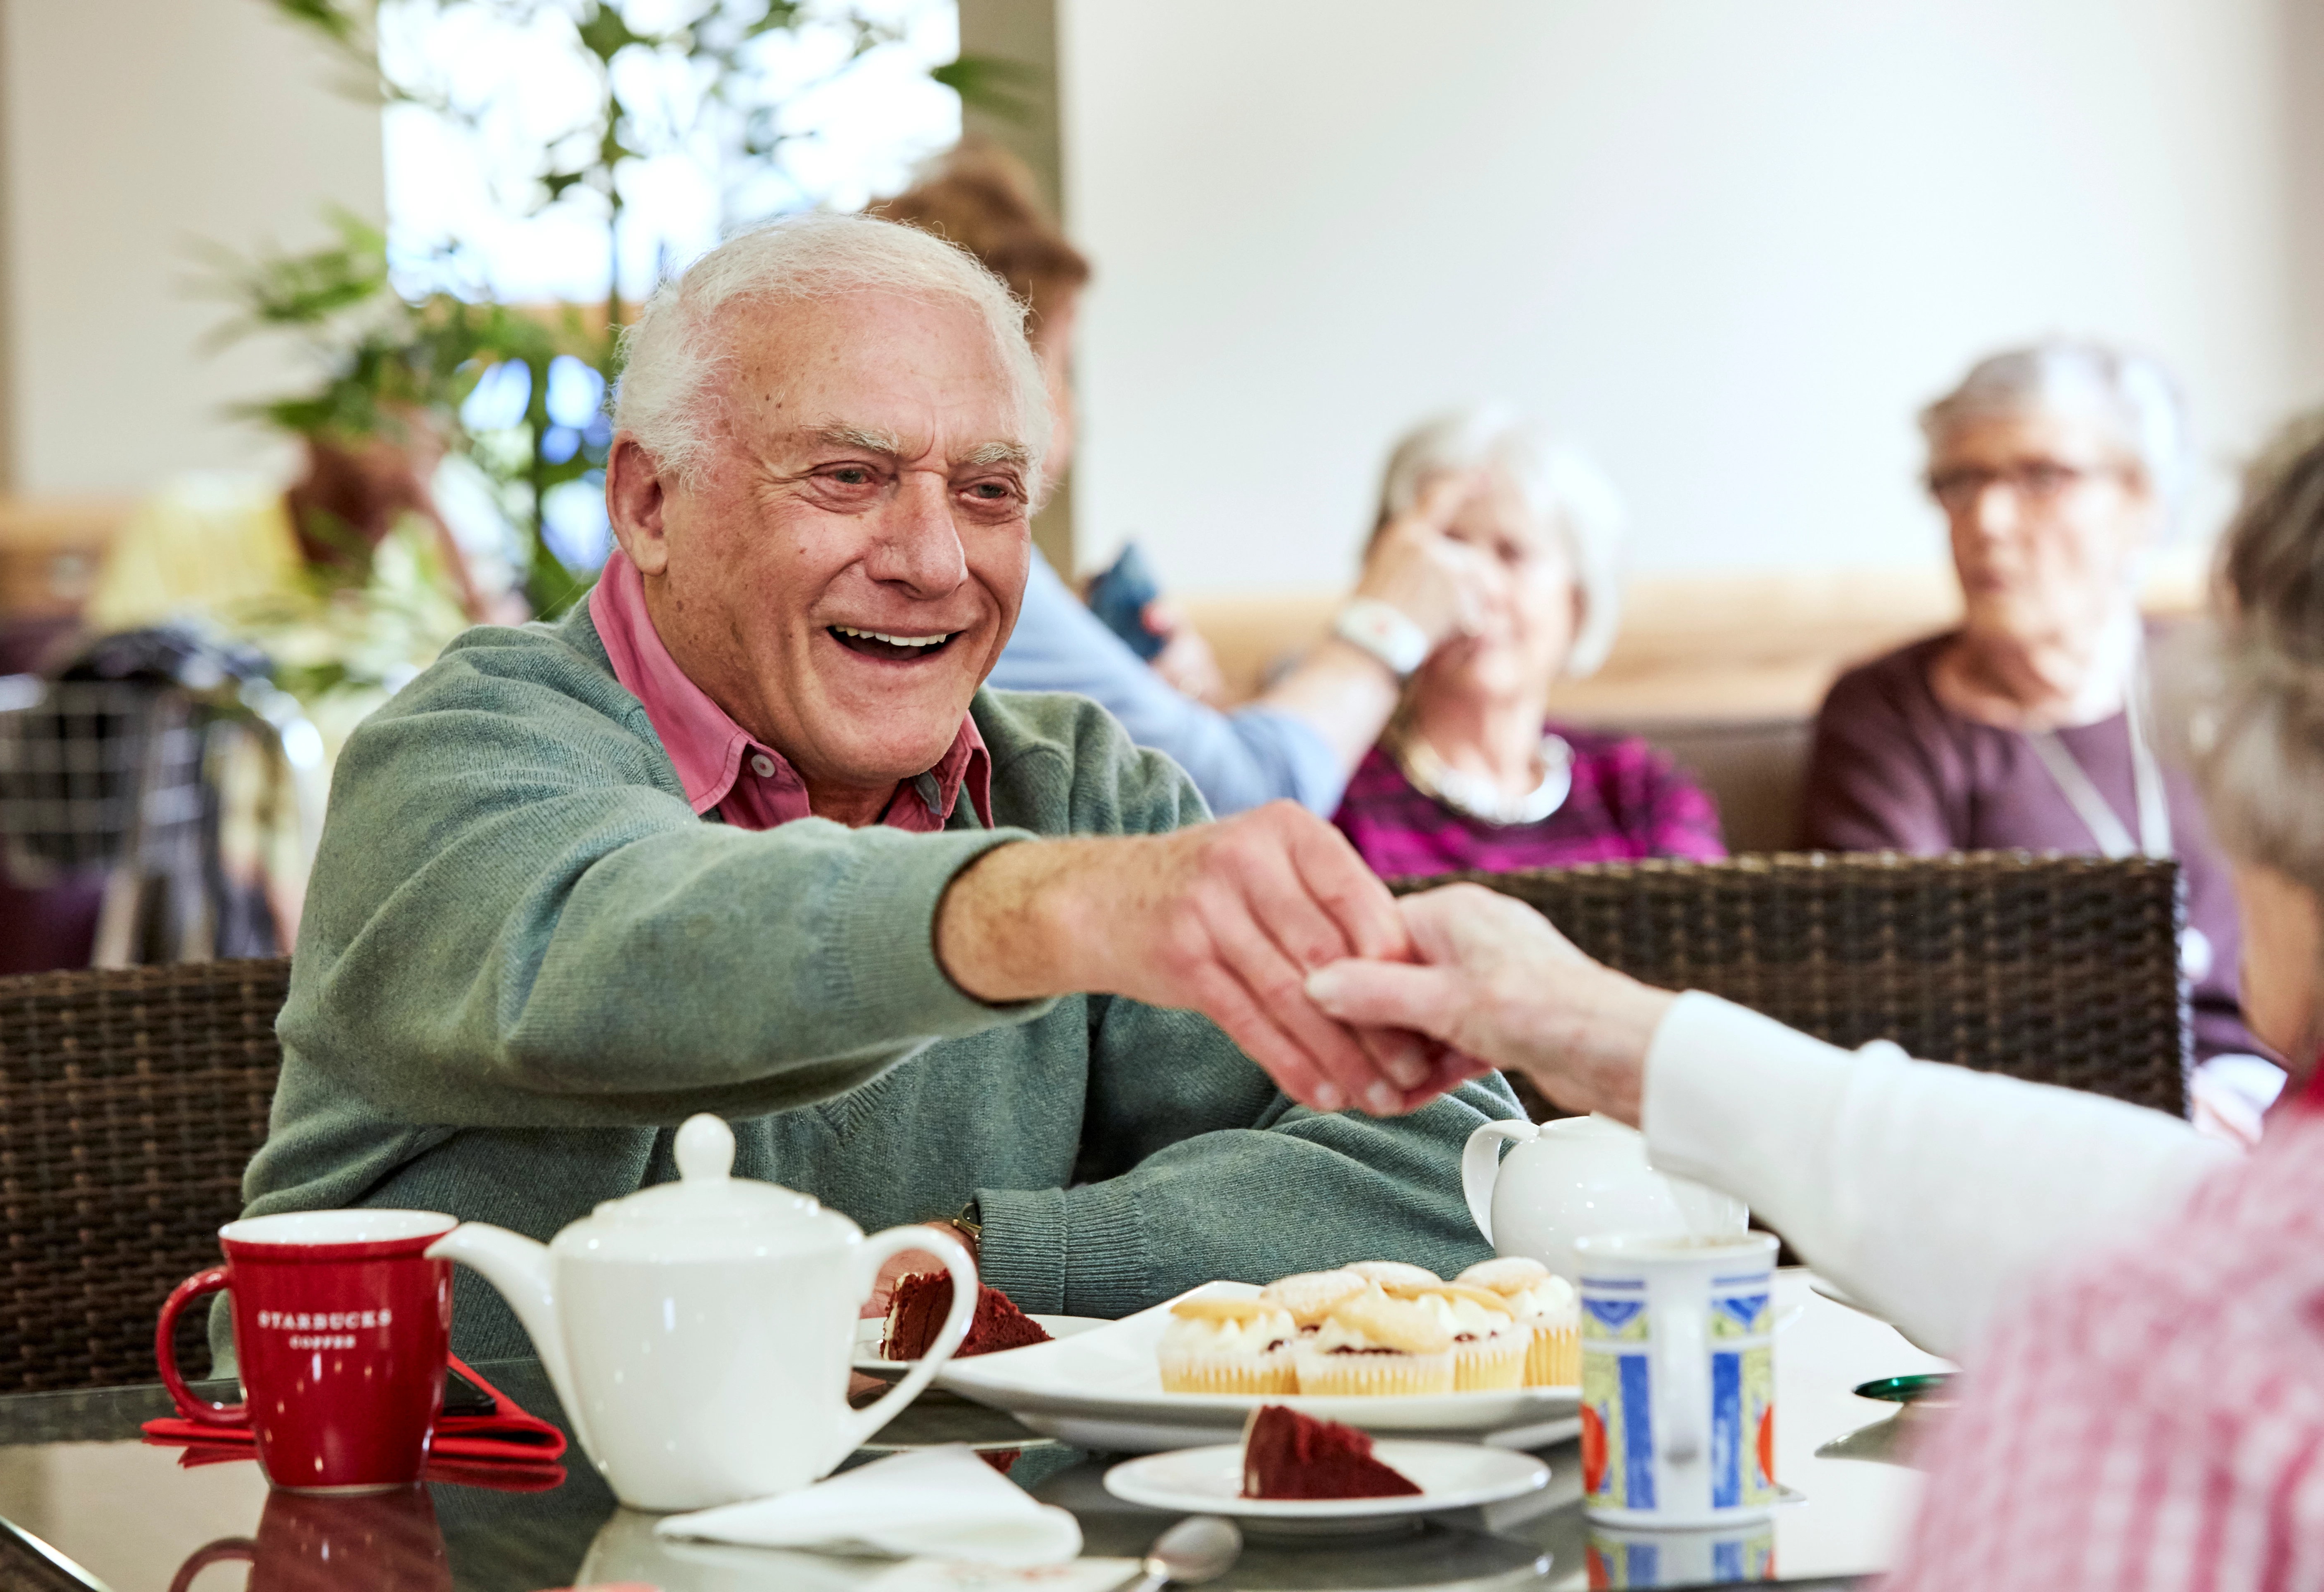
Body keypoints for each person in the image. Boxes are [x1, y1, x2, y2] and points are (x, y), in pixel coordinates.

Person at [232, 213, 1513, 1361]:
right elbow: (637, 945)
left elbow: (1455, 1170)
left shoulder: (1075, 789)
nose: (934, 558)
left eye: (989, 492)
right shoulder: (458, 753)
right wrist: (1038, 914)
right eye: (849, 477)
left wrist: (966, 1264)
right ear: (649, 500)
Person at [1306, 413, 2324, 1588]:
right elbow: (2165, 1206)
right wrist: (1607, 1034)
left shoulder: (2157, 1383)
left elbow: (2160, 1244)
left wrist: (1605, 1033)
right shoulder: (2198, 1274)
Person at [875, 141, 1497, 818]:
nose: (1070, 412)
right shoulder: (955, 569)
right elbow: (1243, 802)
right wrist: (1389, 626)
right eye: (1061, 367)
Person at [1804, 341, 2279, 1139]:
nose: (1986, 521)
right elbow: (1896, 1004)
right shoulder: (1888, 714)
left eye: (2042, 477)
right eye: (1960, 482)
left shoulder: (2236, 685)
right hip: (2031, 1134)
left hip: (2270, 1114)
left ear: (2145, 501)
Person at [1330, 408, 1725, 876]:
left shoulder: (1640, 790)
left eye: (1512, 553)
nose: (1477, 585)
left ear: (1577, 599)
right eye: (1448, 547)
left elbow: (1704, 941)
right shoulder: (1337, 791)